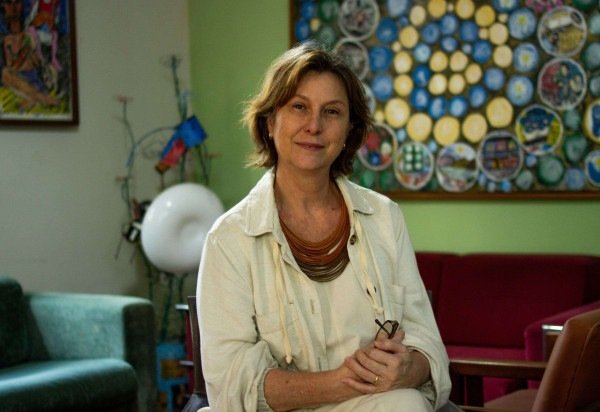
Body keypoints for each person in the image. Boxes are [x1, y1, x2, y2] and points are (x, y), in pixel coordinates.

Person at [197, 41, 451, 411]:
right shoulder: (229, 238)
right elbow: (230, 383)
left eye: (331, 112)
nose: (314, 126)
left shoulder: (384, 217)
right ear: (270, 122)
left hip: (373, 404)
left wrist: (408, 368)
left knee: (407, 404)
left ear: (349, 130)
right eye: (299, 107)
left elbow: (425, 339)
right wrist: (342, 381)